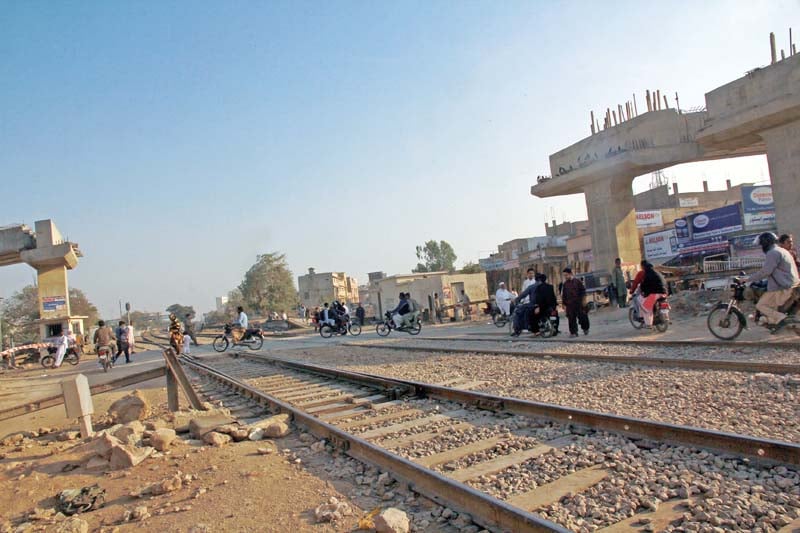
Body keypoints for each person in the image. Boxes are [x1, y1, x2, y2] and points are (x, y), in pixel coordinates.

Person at [746, 232, 800, 329]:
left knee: (760, 305)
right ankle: (773, 324)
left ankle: (783, 318)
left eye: (762, 244)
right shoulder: (782, 250)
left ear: (766, 243)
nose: (761, 247)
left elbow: (765, 272)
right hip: (791, 284)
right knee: (771, 309)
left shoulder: (772, 253)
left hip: (782, 288)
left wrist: (746, 279)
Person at [638, 262, 668, 328]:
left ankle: (648, 324)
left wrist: (643, 291)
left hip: (655, 294)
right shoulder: (658, 273)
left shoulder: (648, 274)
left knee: (646, 307)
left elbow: (645, 285)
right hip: (664, 293)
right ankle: (666, 317)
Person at [561, 268, 589, 337]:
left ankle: (585, 328)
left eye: (566, 275)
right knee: (571, 319)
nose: (565, 277)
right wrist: (564, 304)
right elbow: (564, 295)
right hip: (570, 305)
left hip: (579, 303)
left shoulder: (577, 282)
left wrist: (584, 300)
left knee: (582, 317)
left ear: (570, 274)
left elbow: (583, 291)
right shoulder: (565, 284)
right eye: (564, 275)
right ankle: (573, 332)